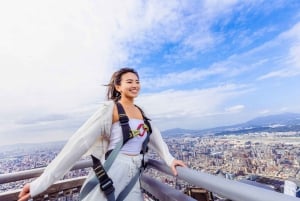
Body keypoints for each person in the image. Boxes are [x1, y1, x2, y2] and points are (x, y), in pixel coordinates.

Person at [18, 67, 186, 201]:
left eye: (137, 81)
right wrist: (38, 185)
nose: (135, 85)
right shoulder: (108, 111)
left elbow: (155, 138)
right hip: (111, 171)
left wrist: (170, 159)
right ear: (118, 86)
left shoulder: (141, 112)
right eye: (129, 81)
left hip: (134, 173)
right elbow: (77, 145)